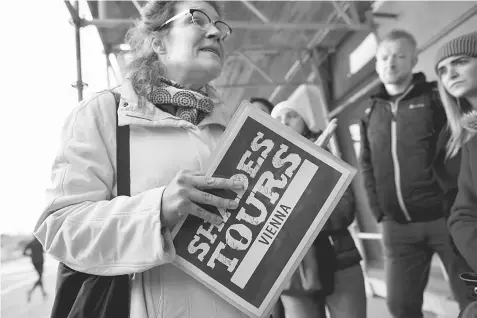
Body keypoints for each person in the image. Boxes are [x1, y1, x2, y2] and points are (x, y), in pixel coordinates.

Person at [32, 1, 252, 317]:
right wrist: (158, 209)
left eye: (220, 26)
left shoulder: (234, 126)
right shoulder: (102, 114)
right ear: (157, 41)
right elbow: (59, 227)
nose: (217, 32)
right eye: (198, 20)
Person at [359, 29, 472, 317]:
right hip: (397, 228)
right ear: (376, 64)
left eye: (399, 56)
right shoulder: (371, 112)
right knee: (400, 306)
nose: (391, 62)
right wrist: (378, 210)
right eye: (384, 57)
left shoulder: (437, 97)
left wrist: (454, 202)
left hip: (443, 219)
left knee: (468, 298)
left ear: (413, 61)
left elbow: (460, 146)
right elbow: (367, 165)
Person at [271, 99, 366, 318]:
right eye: (278, 118)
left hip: (340, 260)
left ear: (305, 121)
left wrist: (294, 218)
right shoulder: (264, 167)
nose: (284, 122)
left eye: (292, 115)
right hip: (292, 271)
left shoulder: (327, 156)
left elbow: (344, 211)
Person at [435, 32, 477, 307]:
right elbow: (463, 213)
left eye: (460, 61)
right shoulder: (471, 138)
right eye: (442, 70)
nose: (450, 73)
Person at [23, 236, 47, 302]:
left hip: (34, 262)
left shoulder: (31, 243)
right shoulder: (40, 243)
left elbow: (24, 253)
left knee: (40, 277)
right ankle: (30, 291)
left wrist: (31, 255)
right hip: (40, 262)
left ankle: (43, 293)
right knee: (40, 277)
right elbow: (43, 251)